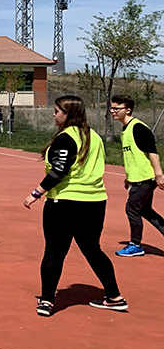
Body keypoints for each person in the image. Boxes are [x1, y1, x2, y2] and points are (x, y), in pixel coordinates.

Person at [24, 95, 127, 317]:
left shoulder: (66, 138)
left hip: (66, 202)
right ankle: (114, 295)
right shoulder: (95, 137)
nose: (54, 114)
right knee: (92, 249)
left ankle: (47, 300)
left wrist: (36, 192)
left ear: (67, 114)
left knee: (54, 250)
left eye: (56, 111)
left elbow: (59, 170)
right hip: (95, 202)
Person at [110, 95, 164, 257]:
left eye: (116, 108)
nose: (113, 111)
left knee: (132, 209)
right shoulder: (125, 129)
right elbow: (132, 156)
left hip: (145, 178)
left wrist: (159, 174)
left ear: (128, 110)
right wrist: (129, 177)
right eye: (112, 108)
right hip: (138, 177)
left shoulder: (138, 127)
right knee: (145, 210)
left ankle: (135, 245)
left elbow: (152, 152)